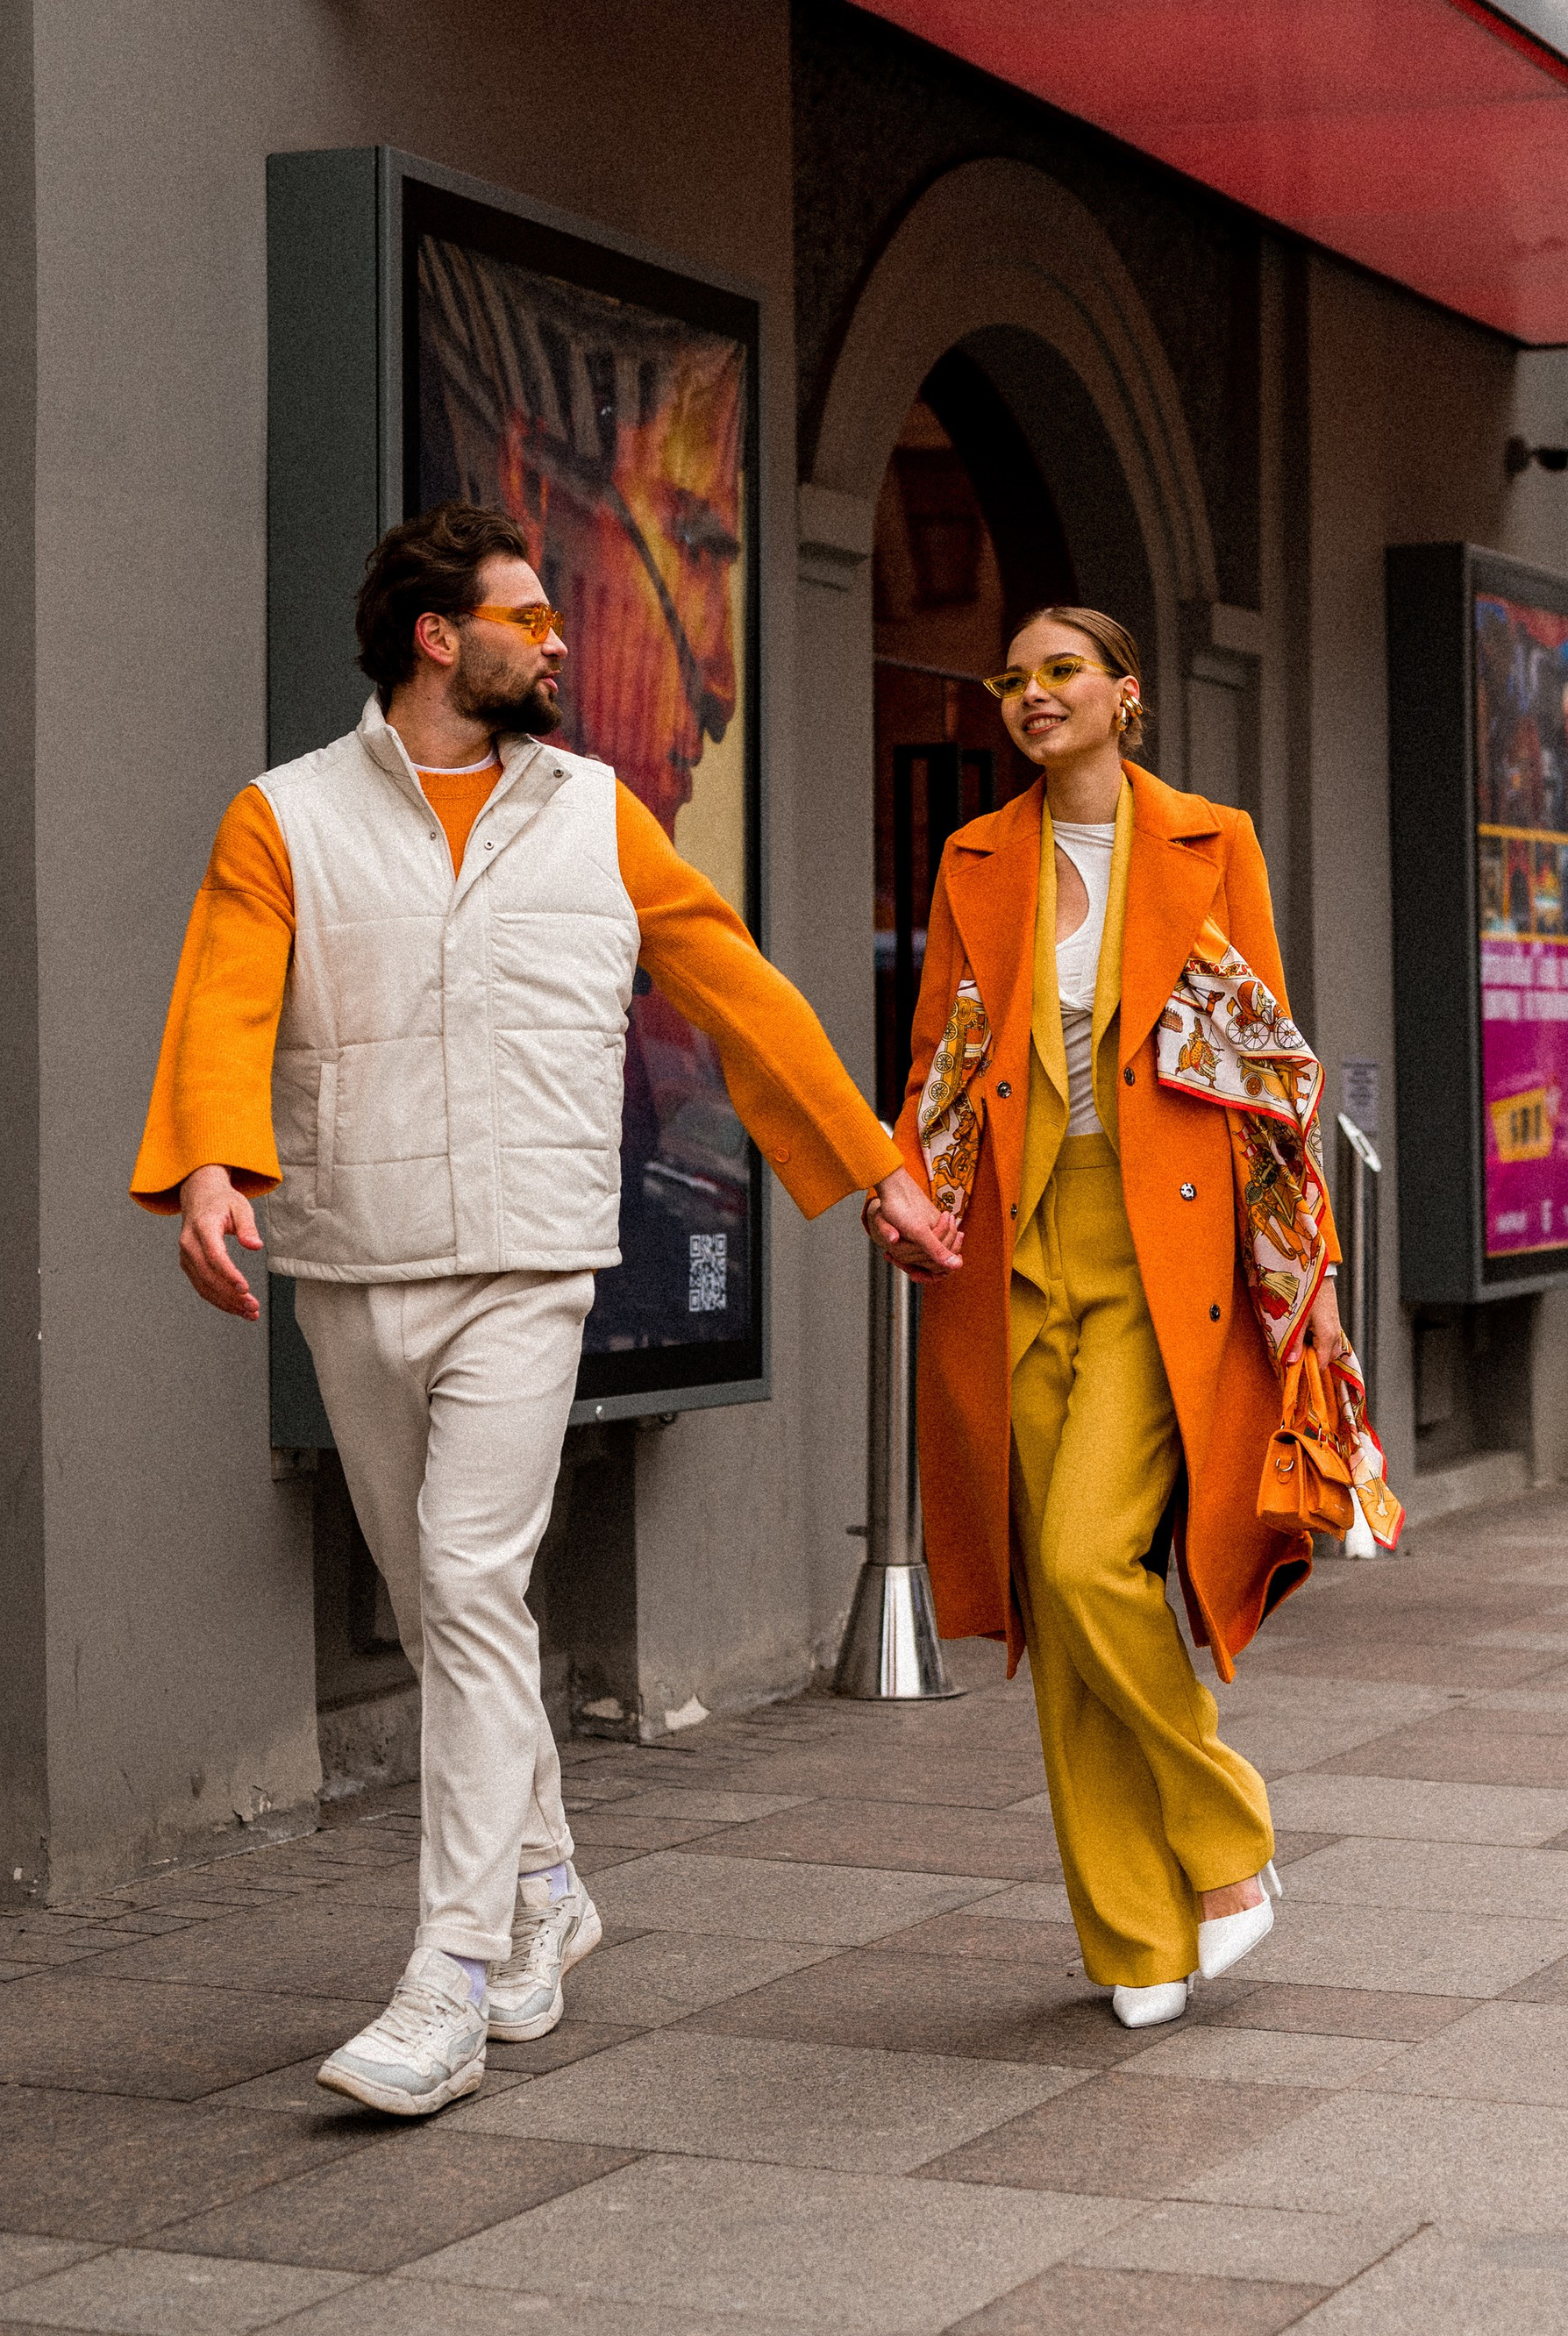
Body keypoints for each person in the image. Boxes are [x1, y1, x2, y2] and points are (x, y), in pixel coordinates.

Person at [132, 502, 959, 2119]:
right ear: (441, 639)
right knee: (457, 1611)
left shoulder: (601, 814)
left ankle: (446, 1973)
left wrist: (872, 1167)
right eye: (529, 615)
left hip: (530, 1259)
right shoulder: (283, 817)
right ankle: (551, 1884)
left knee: (461, 1574)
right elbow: (227, 993)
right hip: (354, 1257)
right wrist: (214, 1168)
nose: (560, 639)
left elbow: (736, 989)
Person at [874, 608, 1395, 2028]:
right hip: (1010, 1258)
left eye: (1062, 674)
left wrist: (1316, 1289)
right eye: (1015, 679)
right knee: (1053, 1596)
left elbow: (1273, 1075)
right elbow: (939, 1060)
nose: (1034, 696)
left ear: (1124, 695)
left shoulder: (1208, 843)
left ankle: (1227, 1846)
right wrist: (897, 1183)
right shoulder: (978, 858)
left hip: (1168, 1256)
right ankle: (1131, 1937)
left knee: (1089, 1555)